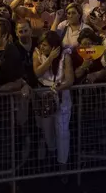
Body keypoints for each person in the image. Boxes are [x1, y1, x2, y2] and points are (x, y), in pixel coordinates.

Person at [33, 30, 74, 168]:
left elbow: (69, 80)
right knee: (47, 129)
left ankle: (62, 162)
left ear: (53, 46)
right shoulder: (37, 54)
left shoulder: (65, 56)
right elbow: (37, 73)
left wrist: (56, 90)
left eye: (45, 45)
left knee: (62, 130)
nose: (42, 47)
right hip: (43, 96)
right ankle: (52, 152)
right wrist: (49, 59)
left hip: (61, 96)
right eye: (41, 44)